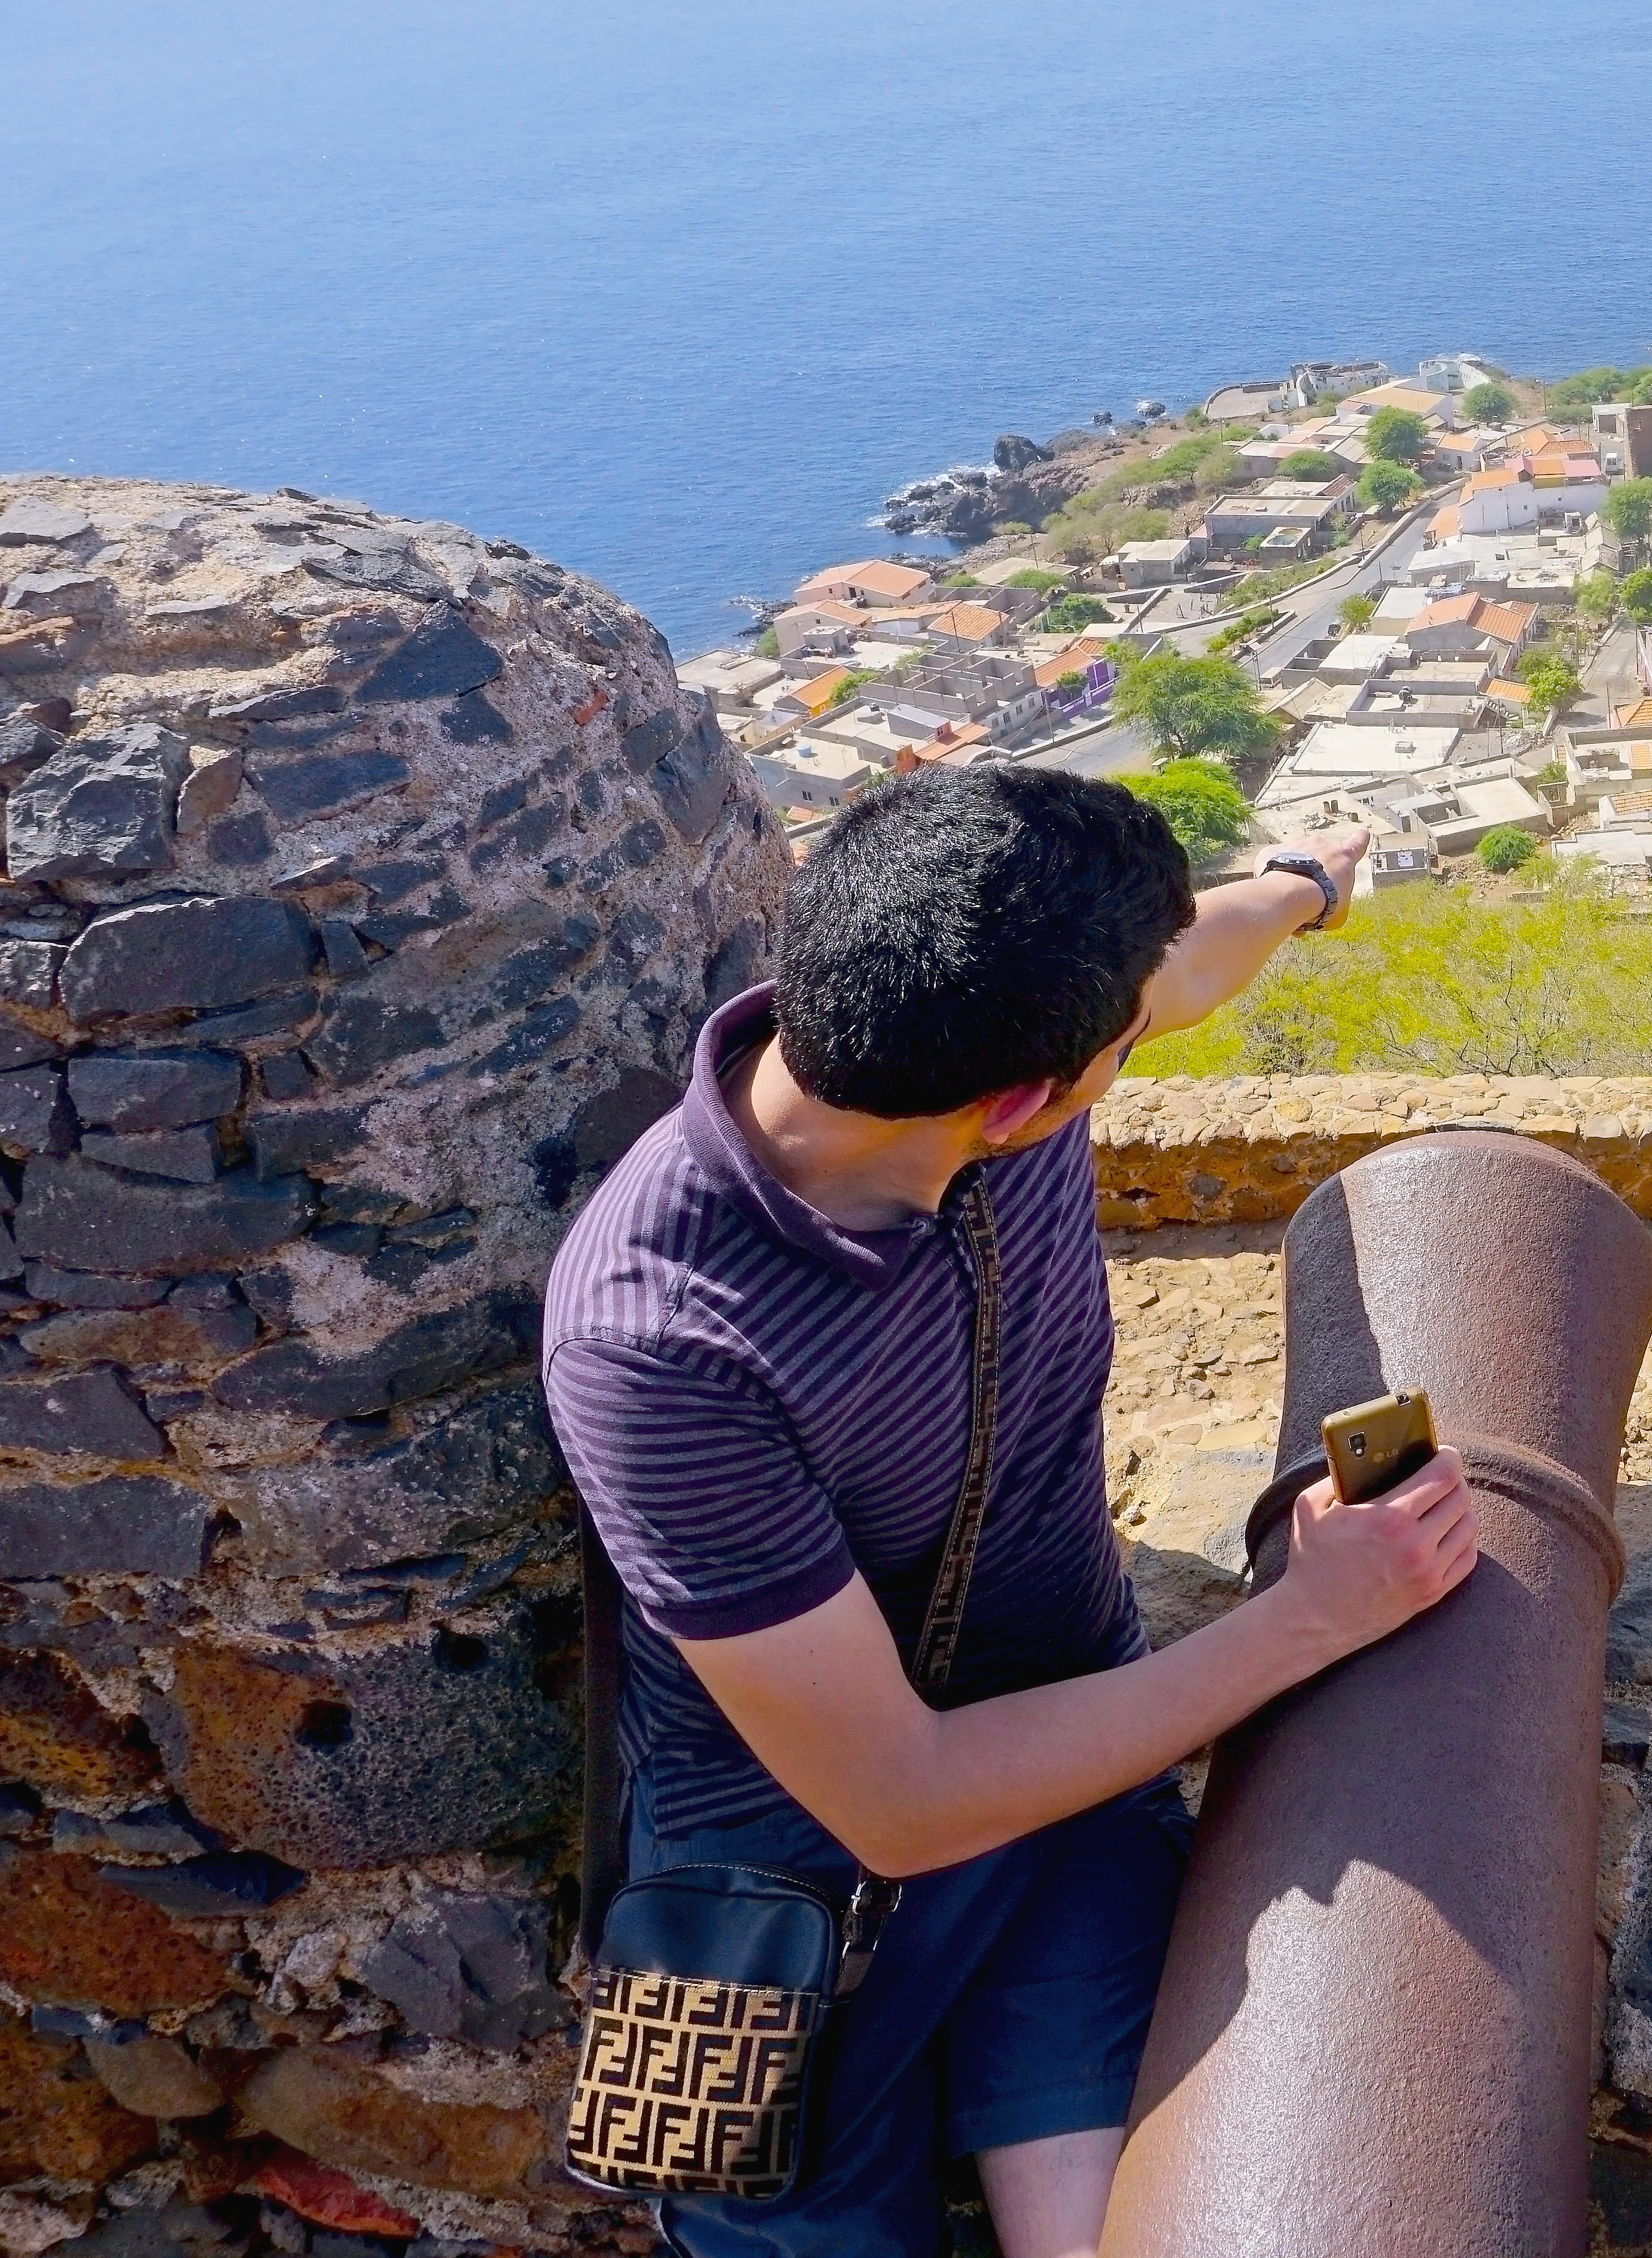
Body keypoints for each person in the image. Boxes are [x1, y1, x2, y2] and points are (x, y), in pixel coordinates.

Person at [544, 769, 1467, 2258]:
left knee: (1128, 2235)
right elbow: (899, 1798)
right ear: (1032, 1098)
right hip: (789, 1884)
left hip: (1071, 1766)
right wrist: (1310, 1617)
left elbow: (1198, 955)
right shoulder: (666, 1343)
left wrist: (1309, 876)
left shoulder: (954, 1020)